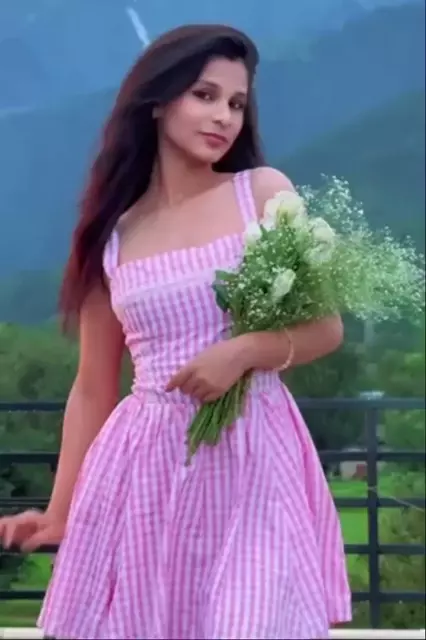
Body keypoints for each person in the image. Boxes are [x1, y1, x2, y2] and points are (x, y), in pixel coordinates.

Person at [0, 24, 351, 640]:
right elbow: (93, 386)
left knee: (252, 621)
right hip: (147, 464)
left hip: (252, 452)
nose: (223, 117)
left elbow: (326, 328)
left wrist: (244, 351)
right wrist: (59, 512)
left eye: (236, 103)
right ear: (159, 101)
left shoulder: (261, 194)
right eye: (205, 95)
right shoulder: (113, 236)